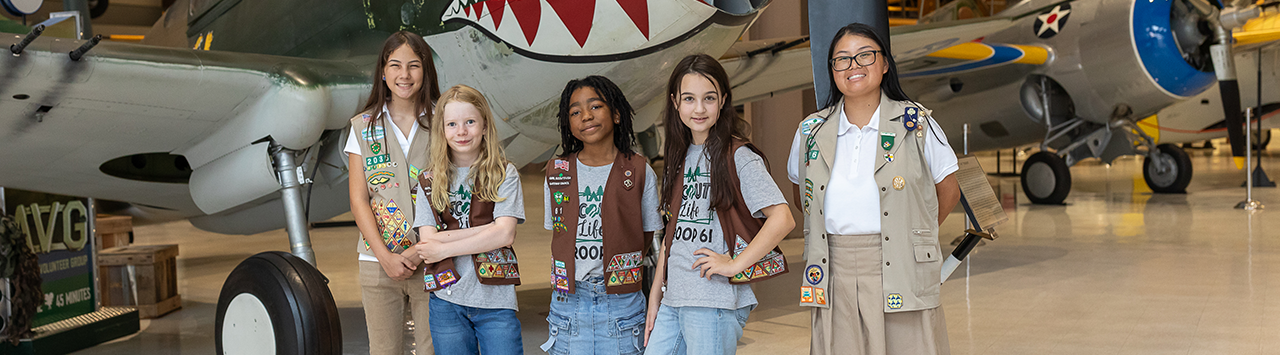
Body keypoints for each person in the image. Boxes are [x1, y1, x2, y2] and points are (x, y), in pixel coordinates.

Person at [787, 23, 962, 355]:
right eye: (842, 59)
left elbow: (948, 190)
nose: (854, 66)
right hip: (833, 267)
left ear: (884, 64)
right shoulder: (810, 131)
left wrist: (909, 234)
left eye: (865, 56)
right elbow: (803, 196)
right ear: (832, 70)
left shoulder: (917, 124)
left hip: (900, 265)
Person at [643, 54, 795, 355]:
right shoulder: (678, 156)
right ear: (675, 102)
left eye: (709, 98)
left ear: (723, 100)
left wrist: (735, 263)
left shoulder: (738, 156)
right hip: (675, 298)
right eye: (689, 98)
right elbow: (672, 232)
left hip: (713, 302)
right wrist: (657, 295)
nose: (699, 108)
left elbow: (783, 218)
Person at [540, 75, 663, 355]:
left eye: (595, 106)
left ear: (617, 114)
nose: (586, 116)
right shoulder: (556, 171)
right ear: (568, 125)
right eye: (575, 112)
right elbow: (558, 231)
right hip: (568, 301)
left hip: (622, 303)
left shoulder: (640, 170)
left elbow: (644, 234)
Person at [344, 30, 441, 355]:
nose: (404, 75)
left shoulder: (444, 122)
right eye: (395, 65)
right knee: (384, 350)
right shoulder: (363, 126)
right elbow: (358, 198)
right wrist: (385, 257)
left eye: (414, 65)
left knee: (434, 349)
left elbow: (454, 192)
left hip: (434, 259)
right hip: (377, 262)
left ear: (425, 70)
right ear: (383, 72)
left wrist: (417, 253)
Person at [413, 84, 525, 355]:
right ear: (442, 130)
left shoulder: (504, 174)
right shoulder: (428, 180)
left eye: (470, 122)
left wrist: (444, 245)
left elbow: (504, 235)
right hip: (446, 301)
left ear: (485, 126)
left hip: (496, 301)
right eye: (452, 124)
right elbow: (427, 243)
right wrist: (487, 230)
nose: (461, 131)